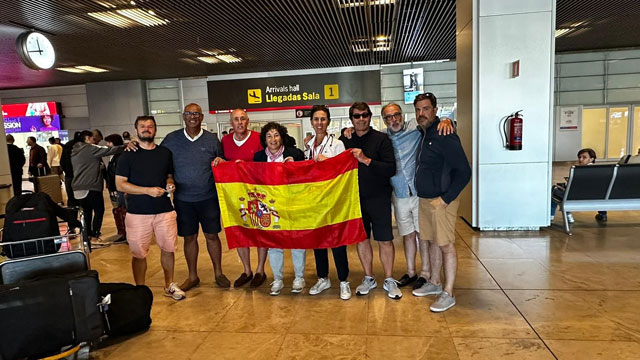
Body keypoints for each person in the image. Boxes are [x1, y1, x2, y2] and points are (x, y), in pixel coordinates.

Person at [380, 103, 455, 291]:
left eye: (396, 115)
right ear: (384, 120)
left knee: (424, 235)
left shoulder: (416, 127)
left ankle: (426, 272)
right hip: (399, 193)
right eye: (388, 117)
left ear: (402, 115)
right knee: (407, 234)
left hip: (419, 192)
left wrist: (447, 120)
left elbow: (434, 122)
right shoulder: (383, 138)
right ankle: (411, 271)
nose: (393, 120)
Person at [160, 103, 230, 290]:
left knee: (212, 236)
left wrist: (221, 162)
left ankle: (218, 273)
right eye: (189, 113)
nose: (193, 117)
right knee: (189, 238)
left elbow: (221, 163)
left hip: (208, 198)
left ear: (202, 117)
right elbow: (162, 163)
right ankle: (193, 276)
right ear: (184, 116)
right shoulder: (171, 139)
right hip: (183, 200)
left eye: (197, 114)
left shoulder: (212, 140)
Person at [116, 116, 185, 300]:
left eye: (150, 126)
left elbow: (169, 175)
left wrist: (170, 184)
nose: (147, 129)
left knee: (168, 248)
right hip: (138, 213)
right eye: (142, 126)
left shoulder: (164, 153)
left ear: (155, 129)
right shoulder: (127, 155)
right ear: (136, 130)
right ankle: (140, 289)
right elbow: (120, 185)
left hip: (164, 210)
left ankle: (169, 284)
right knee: (139, 252)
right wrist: (147, 191)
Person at [414, 92, 471, 312]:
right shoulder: (424, 132)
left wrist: (445, 199)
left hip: (441, 200)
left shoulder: (444, 133)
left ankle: (448, 293)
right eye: (418, 109)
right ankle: (435, 283)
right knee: (430, 241)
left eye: (426, 109)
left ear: (435, 110)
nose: (422, 113)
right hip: (425, 199)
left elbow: (464, 171)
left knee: (446, 245)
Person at [339, 102, 401, 299]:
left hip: (379, 197)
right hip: (355, 199)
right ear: (351, 119)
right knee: (362, 239)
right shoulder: (345, 139)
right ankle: (369, 277)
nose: (361, 119)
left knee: (385, 240)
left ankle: (389, 278)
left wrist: (366, 159)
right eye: (356, 116)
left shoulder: (382, 139)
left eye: (364, 115)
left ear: (370, 116)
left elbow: (391, 168)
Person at [213, 109, 267, 288]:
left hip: (257, 192)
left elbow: (265, 164)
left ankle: (260, 270)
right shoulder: (226, 141)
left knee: (260, 229)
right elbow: (221, 160)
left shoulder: (259, 138)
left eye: (242, 119)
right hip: (235, 194)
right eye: (236, 119)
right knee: (240, 231)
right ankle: (247, 270)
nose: (239, 122)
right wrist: (221, 162)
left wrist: (245, 166)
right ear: (231, 122)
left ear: (248, 121)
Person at [303, 105, 352, 300]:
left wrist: (329, 162)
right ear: (311, 122)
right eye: (316, 119)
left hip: (333, 199)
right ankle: (323, 277)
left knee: (337, 241)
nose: (319, 123)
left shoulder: (337, 144)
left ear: (328, 121)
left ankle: (343, 281)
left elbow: (343, 169)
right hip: (315, 200)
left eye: (323, 119)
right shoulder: (308, 145)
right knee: (318, 241)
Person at [253, 122, 306, 295]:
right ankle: (277, 279)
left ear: (281, 136)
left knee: (297, 241)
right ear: (264, 139)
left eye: (276, 135)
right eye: (269, 136)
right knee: (274, 243)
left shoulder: (295, 153)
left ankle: (299, 277)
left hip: (293, 203)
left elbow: (307, 174)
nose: (273, 139)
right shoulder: (259, 157)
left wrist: (296, 164)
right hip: (270, 206)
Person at [71, 130, 124, 248]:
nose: (94, 141)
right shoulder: (89, 149)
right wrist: (126, 146)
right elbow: (109, 150)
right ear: (87, 138)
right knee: (99, 211)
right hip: (91, 187)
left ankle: (88, 237)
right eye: (92, 138)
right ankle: (94, 237)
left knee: (87, 212)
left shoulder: (75, 150)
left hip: (78, 188)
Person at [551, 148, 607, 223]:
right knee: (598, 192)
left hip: (577, 197)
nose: (580, 159)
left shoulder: (579, 170)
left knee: (553, 190)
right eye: (579, 157)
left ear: (591, 159)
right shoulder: (602, 171)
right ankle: (603, 214)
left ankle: (554, 215)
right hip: (599, 197)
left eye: (584, 157)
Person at [105, 134, 127, 244]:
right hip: (115, 187)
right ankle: (123, 232)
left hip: (120, 188)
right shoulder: (113, 156)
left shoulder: (120, 156)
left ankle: (125, 233)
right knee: (118, 210)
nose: (107, 145)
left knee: (122, 210)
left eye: (109, 142)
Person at [61, 131, 82, 207]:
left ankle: (72, 214)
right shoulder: (83, 146)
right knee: (81, 196)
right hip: (80, 175)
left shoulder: (68, 145)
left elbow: (62, 161)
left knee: (71, 195)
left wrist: (66, 170)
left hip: (69, 174)